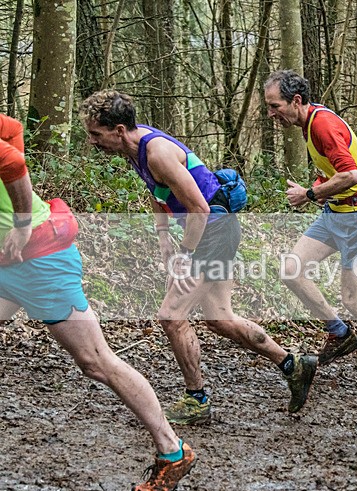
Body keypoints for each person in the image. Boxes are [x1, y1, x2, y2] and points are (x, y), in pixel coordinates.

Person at [80, 90, 317, 424]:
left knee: (172, 316)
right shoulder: (134, 150)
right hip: (213, 230)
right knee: (220, 318)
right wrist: (163, 236)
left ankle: (197, 401)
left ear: (119, 130)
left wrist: (184, 257)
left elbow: (199, 209)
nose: (93, 141)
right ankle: (293, 365)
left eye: (96, 134)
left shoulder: (157, 152)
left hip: (214, 230)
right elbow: (158, 193)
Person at [0, 113, 194, 491]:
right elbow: (12, 129)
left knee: (96, 362)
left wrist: (21, 222)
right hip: (10, 261)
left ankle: (172, 451)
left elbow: (13, 162)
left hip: (40, 260)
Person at [263, 70, 357, 393]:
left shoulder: (322, 125)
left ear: (296, 101)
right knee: (291, 270)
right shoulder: (308, 125)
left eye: (275, 106)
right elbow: (334, 169)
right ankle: (339, 332)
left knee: (354, 298)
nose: (271, 114)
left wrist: (309, 195)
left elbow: (352, 175)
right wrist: (315, 186)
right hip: (335, 213)